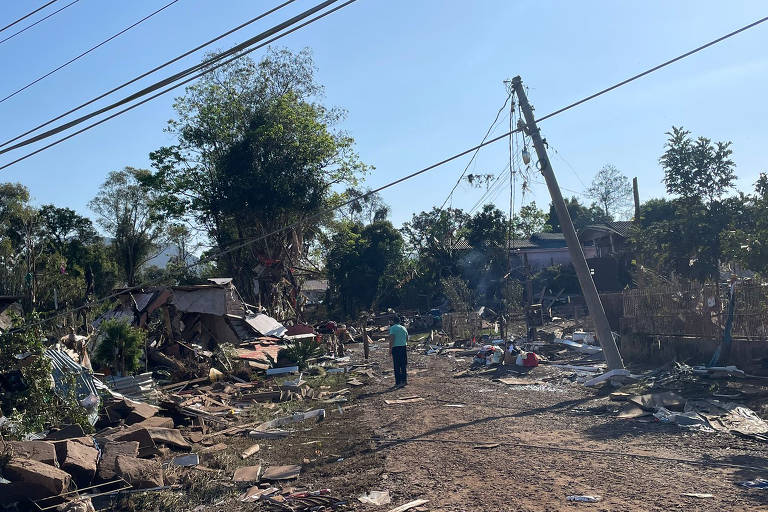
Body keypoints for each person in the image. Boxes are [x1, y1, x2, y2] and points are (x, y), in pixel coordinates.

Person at [389, 316, 408, 387]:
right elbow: (407, 338)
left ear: (393, 321)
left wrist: (390, 349)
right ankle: (404, 380)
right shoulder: (404, 328)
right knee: (403, 364)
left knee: (396, 365)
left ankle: (398, 382)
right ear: (399, 321)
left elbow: (392, 339)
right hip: (403, 347)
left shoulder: (392, 328)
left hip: (396, 348)